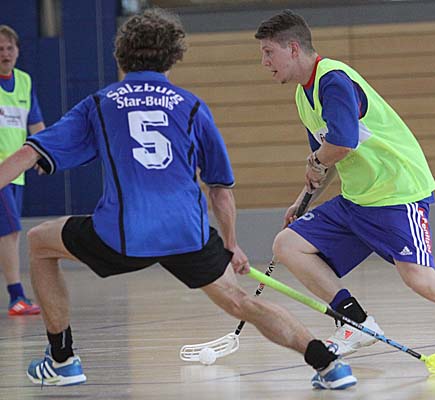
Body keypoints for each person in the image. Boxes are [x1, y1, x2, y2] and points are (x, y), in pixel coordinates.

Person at [0, 9, 356, 390]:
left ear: (121, 54)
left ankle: (62, 360)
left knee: (39, 243)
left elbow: (30, 152)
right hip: (187, 233)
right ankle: (328, 364)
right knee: (241, 303)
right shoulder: (191, 106)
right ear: (173, 56)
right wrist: (230, 244)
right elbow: (219, 189)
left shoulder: (101, 103)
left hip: (123, 233)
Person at [255, 10, 435, 363]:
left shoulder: (333, 81)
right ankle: (356, 323)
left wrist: (317, 161)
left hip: (396, 193)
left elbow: (341, 144)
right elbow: (327, 160)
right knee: (288, 244)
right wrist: (302, 201)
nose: (264, 62)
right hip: (357, 199)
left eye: (269, 52)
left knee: (420, 279)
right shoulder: (302, 96)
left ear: (293, 48)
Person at [0, 25, 45, 316]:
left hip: (17, 172)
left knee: (8, 232)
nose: (5, 54)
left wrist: (45, 154)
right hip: (1, 174)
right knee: (11, 231)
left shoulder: (24, 82)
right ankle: (16, 296)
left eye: (9, 48)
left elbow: (36, 124)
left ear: (17, 51)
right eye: (0, 49)